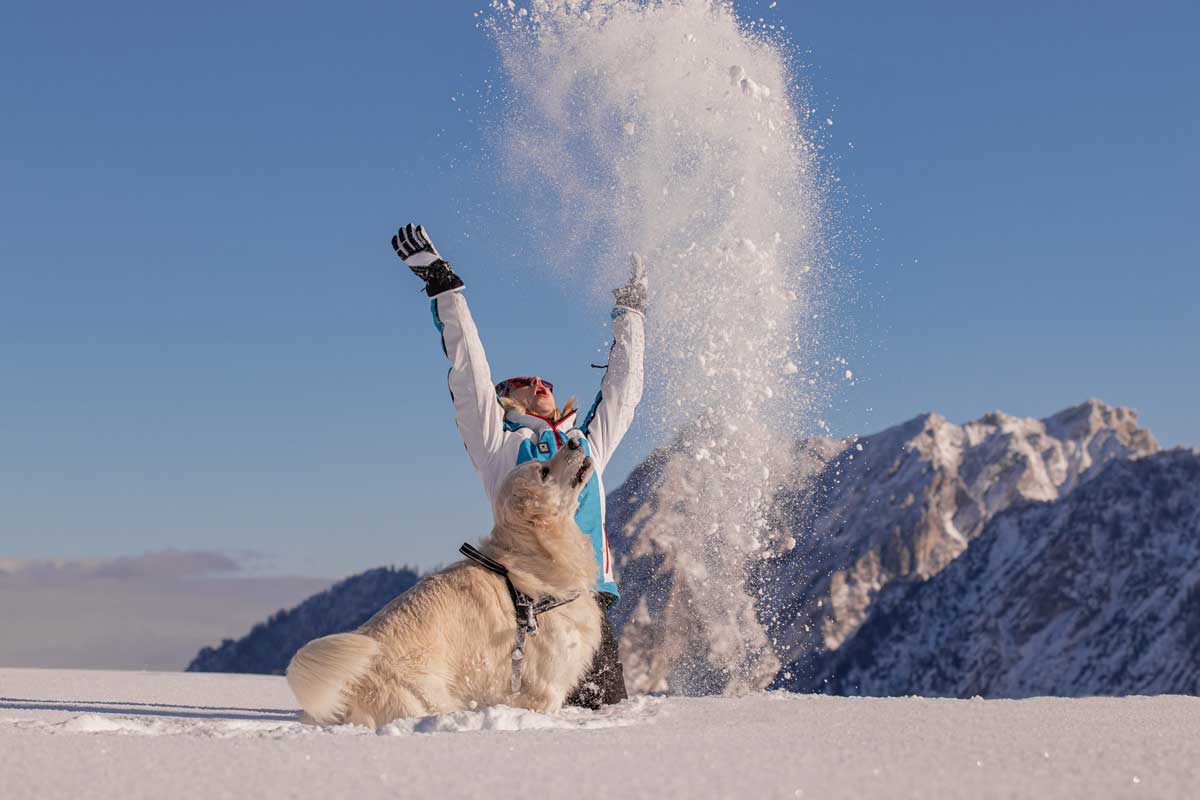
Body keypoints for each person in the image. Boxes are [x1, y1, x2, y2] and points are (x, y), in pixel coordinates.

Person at [391, 223, 646, 708]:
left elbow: (622, 394)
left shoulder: (584, 444)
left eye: (544, 378)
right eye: (523, 381)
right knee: (543, 723)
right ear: (505, 399)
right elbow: (470, 375)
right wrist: (445, 288)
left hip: (589, 599)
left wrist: (631, 312)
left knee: (604, 725)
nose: (538, 382)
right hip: (535, 602)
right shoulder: (500, 446)